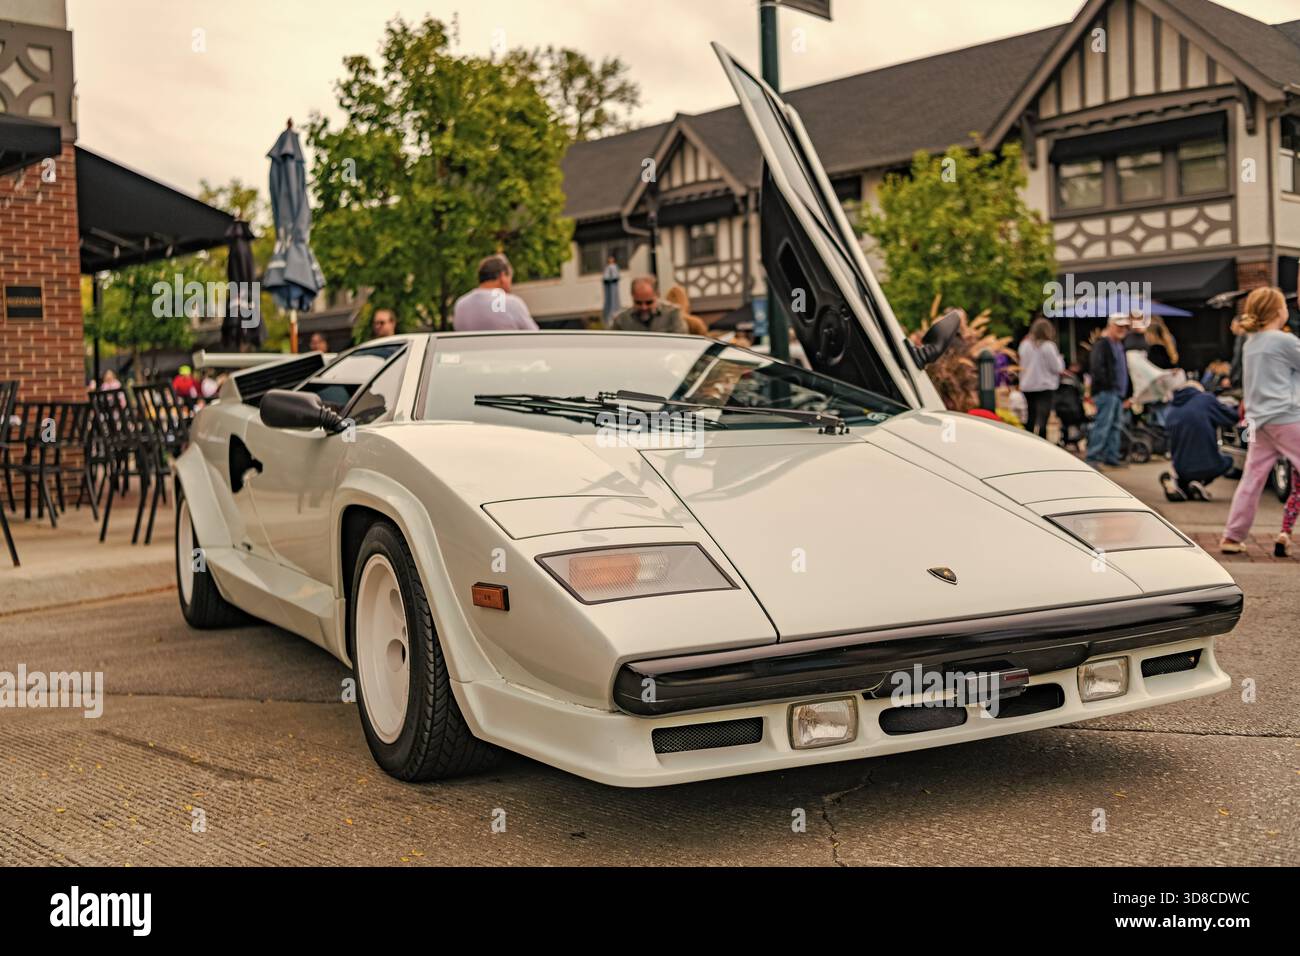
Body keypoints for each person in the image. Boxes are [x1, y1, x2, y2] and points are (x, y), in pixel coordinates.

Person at [1221, 287, 1300, 553]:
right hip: (1286, 417)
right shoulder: (1283, 341)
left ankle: (1232, 536)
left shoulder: (1250, 342)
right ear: (1279, 311)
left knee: (1251, 479)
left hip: (1256, 421)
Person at [1159, 381, 1237, 501]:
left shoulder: (1171, 408)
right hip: (1207, 465)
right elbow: (1231, 417)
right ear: (1199, 390)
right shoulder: (1206, 399)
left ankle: (1177, 483)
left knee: (1188, 471)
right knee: (1229, 460)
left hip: (1180, 467)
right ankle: (1200, 483)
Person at [1085, 314, 1132, 469]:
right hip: (1107, 392)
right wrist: (1107, 385)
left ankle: (1111, 457)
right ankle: (1093, 458)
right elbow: (1097, 369)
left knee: (1115, 426)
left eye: (1124, 327)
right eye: (1119, 326)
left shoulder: (1119, 345)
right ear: (1110, 325)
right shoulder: (1102, 344)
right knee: (1103, 424)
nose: (1122, 330)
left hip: (1117, 393)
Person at [452, 254, 538, 332]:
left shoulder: (460, 305)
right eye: (510, 278)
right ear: (502, 276)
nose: (510, 284)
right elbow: (535, 337)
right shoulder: (512, 303)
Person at [1017, 317, 1064, 439]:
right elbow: (1057, 368)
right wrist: (1060, 359)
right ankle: (1042, 442)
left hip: (1028, 386)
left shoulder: (1024, 345)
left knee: (1030, 417)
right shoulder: (1048, 346)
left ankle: (1028, 441)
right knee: (1043, 418)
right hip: (1044, 386)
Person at [611, 276, 688, 333]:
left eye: (649, 302)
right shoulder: (621, 320)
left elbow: (682, 344)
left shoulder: (672, 314)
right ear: (632, 296)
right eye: (638, 303)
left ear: (657, 295)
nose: (644, 307)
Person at [602, 255, 621, 327]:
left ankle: (614, 314)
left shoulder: (614, 267)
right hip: (608, 287)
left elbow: (616, 276)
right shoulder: (607, 267)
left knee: (614, 300)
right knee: (609, 302)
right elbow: (605, 277)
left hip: (613, 286)